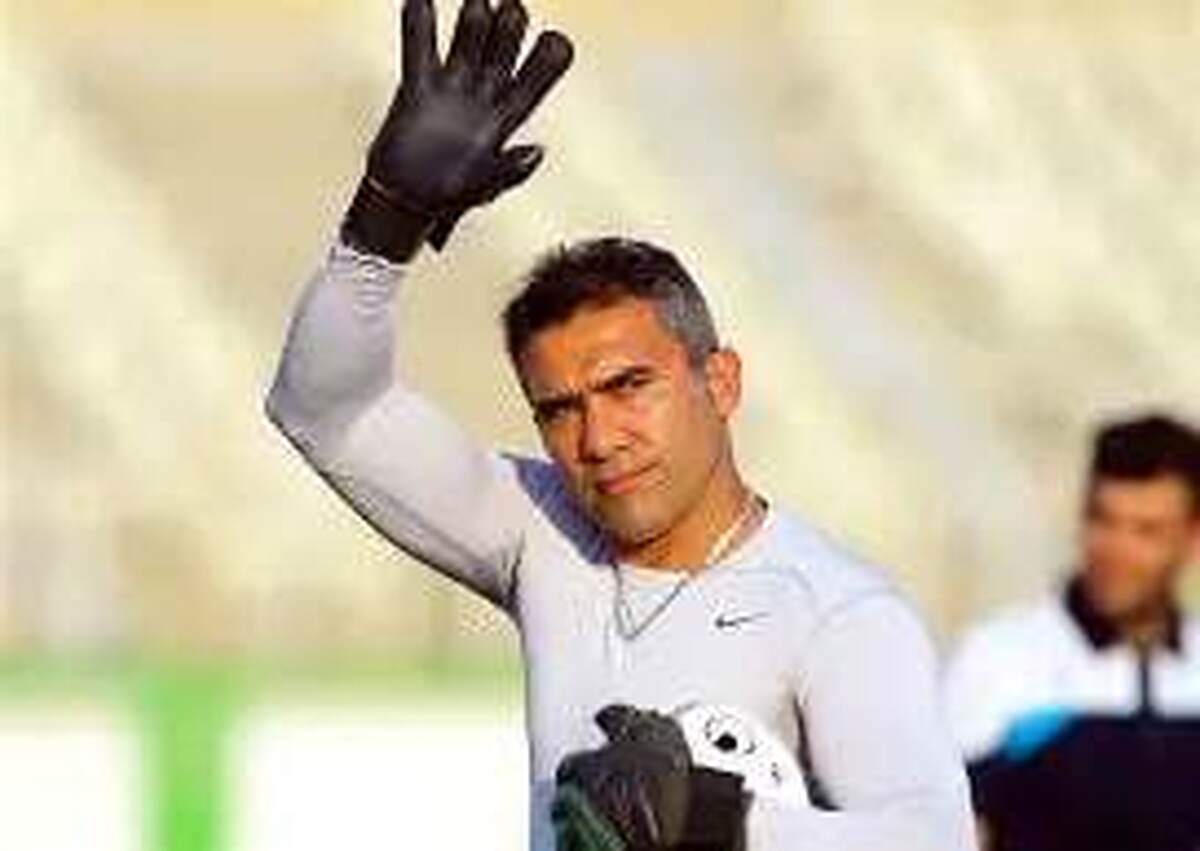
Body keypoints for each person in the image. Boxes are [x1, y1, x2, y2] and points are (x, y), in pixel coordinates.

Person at [265, 0, 975, 847]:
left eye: (629, 386)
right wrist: (385, 221)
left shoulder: (834, 609)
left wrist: (712, 819)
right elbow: (327, 410)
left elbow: (935, 835)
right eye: (560, 409)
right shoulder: (544, 535)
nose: (598, 440)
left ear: (721, 380)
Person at [943, 414, 1200, 850]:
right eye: (1103, 519)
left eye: (1146, 531)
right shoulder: (996, 659)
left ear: (1192, 539)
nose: (1117, 549)